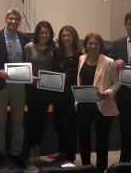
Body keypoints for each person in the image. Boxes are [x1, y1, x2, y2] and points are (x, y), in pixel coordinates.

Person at [0, 8, 30, 169]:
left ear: (19, 21)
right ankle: (0, 152)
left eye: (16, 19)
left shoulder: (25, 38)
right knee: (0, 120)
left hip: (19, 84)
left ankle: (15, 152)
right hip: (1, 83)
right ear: (6, 19)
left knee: (18, 121)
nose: (13, 21)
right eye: (11, 18)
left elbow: (29, 60)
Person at [76, 33, 120, 173]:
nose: (93, 46)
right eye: (90, 43)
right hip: (84, 103)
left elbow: (117, 83)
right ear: (86, 45)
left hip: (103, 103)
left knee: (102, 138)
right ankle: (86, 166)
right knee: (83, 136)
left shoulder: (108, 62)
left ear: (101, 46)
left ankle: (101, 168)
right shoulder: (81, 59)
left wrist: (107, 93)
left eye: (96, 44)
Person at [24, 21, 55, 165]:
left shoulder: (53, 48)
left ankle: (38, 151)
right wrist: (31, 78)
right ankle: (30, 151)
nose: (44, 35)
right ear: (37, 33)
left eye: (46, 33)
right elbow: (24, 68)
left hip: (46, 91)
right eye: (41, 32)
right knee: (32, 120)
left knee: (41, 121)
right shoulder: (29, 47)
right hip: (31, 90)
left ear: (50, 34)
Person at [50, 25, 81, 163]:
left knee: (71, 126)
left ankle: (70, 156)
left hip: (72, 96)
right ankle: (62, 151)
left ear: (73, 37)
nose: (66, 38)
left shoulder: (80, 55)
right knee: (58, 124)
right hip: (58, 94)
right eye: (63, 35)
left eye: (69, 35)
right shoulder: (56, 52)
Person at [110, 11, 131, 163]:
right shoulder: (117, 44)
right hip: (124, 95)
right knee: (125, 129)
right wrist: (115, 61)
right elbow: (109, 62)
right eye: (130, 24)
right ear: (125, 25)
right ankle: (125, 162)